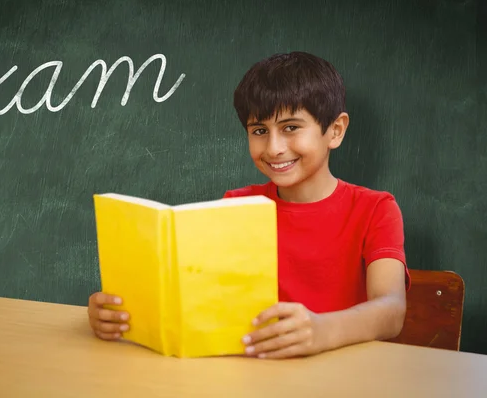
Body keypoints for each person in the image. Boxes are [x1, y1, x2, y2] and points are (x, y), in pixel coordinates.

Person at [88, 51, 410, 359]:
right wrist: (118, 312)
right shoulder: (236, 206)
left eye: (291, 128)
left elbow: (391, 310)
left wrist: (321, 331)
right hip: (252, 371)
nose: (273, 148)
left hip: (340, 376)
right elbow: (203, 301)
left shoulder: (375, 209)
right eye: (259, 131)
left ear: (335, 131)